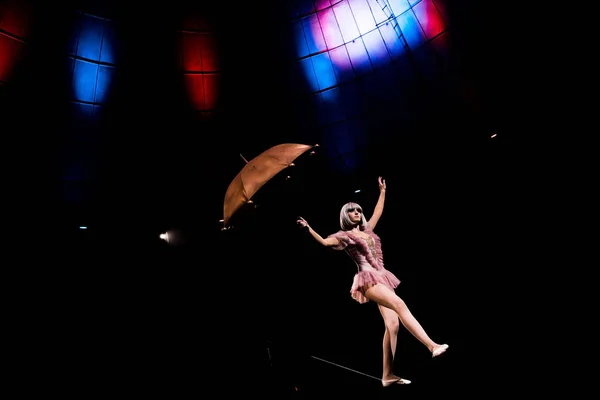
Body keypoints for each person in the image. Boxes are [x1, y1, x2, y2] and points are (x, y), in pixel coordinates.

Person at [296, 176, 448, 387]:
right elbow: (324, 242)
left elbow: (377, 212)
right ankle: (431, 346)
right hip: (368, 279)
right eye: (352, 210)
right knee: (400, 304)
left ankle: (387, 375)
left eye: (358, 210)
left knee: (393, 324)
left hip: (382, 276)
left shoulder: (367, 231)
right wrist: (309, 229)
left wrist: (382, 192)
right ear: (345, 215)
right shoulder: (343, 235)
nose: (357, 213)